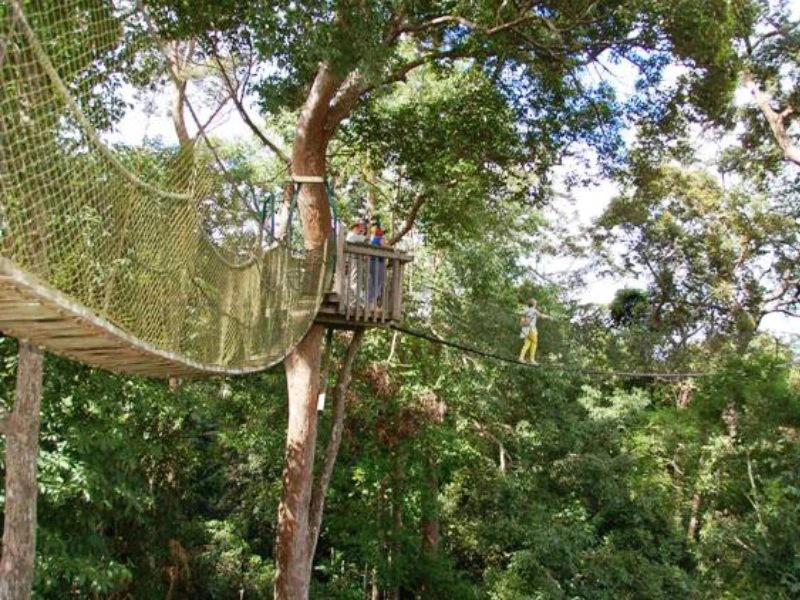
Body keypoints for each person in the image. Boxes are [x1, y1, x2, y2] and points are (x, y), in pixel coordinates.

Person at [519, 298, 551, 364]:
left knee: (527, 344)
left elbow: (522, 320)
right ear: (534, 304)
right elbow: (541, 316)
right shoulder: (534, 310)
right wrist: (548, 317)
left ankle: (521, 358)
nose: (536, 304)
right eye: (535, 303)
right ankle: (532, 360)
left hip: (525, 330)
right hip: (531, 329)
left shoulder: (526, 310)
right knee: (534, 343)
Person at [368, 225, 385, 304]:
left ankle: (370, 300)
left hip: (371, 261)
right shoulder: (380, 239)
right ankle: (373, 301)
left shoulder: (371, 239)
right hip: (378, 262)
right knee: (378, 282)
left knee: (371, 281)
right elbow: (383, 246)